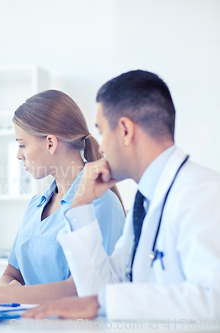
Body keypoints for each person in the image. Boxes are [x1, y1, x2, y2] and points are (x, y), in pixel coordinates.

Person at [23, 70, 220, 320]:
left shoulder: (202, 193)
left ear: (125, 130)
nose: (101, 147)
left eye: (103, 132)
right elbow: (100, 289)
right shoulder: (146, 202)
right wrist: (81, 206)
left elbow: (214, 300)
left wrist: (103, 303)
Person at [0, 90, 125, 304]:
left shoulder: (101, 204)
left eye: (22, 144)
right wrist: (7, 289)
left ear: (50, 143)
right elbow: (11, 276)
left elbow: (83, 289)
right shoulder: (36, 205)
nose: (18, 154)